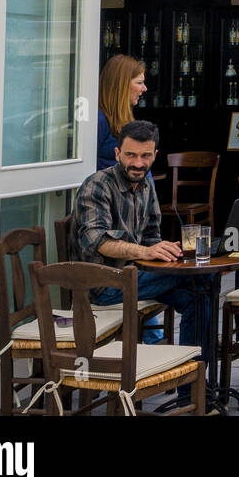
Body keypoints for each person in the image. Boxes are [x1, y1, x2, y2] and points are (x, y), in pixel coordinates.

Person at [72, 120, 210, 353]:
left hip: (136, 275)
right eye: (130, 155)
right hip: (103, 285)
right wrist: (146, 252)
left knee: (199, 293)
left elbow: (150, 235)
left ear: (155, 155)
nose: (137, 163)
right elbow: (97, 241)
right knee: (201, 276)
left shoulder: (146, 184)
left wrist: (166, 251)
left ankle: (193, 381)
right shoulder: (97, 186)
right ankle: (197, 375)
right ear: (117, 153)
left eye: (145, 155)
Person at [97, 54, 147, 171]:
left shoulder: (124, 118)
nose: (144, 88)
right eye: (139, 83)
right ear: (122, 85)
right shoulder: (100, 120)